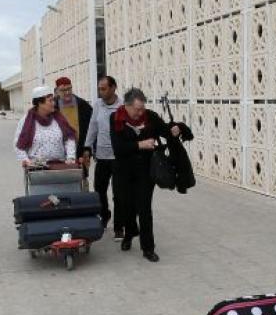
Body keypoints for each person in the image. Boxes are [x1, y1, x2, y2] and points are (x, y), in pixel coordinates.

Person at [111, 88, 182, 263]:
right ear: (127, 106)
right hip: (123, 170)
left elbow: (166, 130)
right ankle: (129, 234)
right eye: (137, 109)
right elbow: (118, 148)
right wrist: (139, 145)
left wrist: (176, 129)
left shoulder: (150, 117)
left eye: (142, 108)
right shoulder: (115, 119)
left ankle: (148, 248)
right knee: (125, 205)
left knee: (144, 209)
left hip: (145, 170)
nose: (141, 112)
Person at [82, 75, 123, 235]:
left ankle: (119, 226)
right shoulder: (98, 105)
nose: (101, 92)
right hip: (102, 156)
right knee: (99, 191)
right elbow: (93, 127)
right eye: (99, 88)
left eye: (104, 88)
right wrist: (87, 148)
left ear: (113, 88)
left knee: (119, 193)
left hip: (119, 158)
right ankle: (104, 216)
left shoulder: (122, 106)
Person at [14, 86, 77, 165]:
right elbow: (18, 144)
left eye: (53, 100)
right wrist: (26, 161)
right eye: (50, 101)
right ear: (40, 103)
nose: (54, 103)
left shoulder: (59, 118)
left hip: (59, 166)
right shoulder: (26, 121)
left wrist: (70, 157)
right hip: (36, 169)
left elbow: (69, 138)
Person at [53, 76, 93, 144]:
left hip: (80, 146)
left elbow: (91, 127)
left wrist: (87, 148)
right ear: (57, 91)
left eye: (69, 89)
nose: (67, 92)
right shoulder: (53, 107)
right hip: (60, 148)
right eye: (63, 90)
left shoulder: (82, 105)